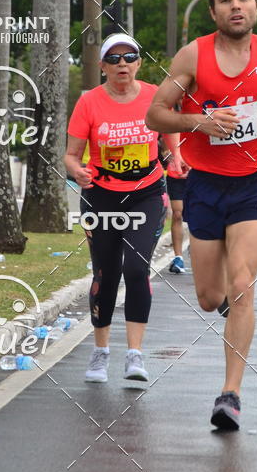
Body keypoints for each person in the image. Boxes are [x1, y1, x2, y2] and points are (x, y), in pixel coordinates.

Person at [145, 0, 257, 430]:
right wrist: (197, 121)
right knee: (208, 296)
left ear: (256, 5)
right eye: (226, 0)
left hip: (255, 183)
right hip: (204, 184)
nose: (235, 6)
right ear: (214, 11)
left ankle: (230, 395)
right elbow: (155, 114)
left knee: (242, 286)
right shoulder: (192, 58)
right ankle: (230, 309)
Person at [65, 34, 182, 385]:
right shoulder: (89, 103)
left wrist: (176, 156)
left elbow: (169, 133)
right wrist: (77, 170)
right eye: (113, 59)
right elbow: (70, 155)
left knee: (136, 268)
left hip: (145, 193)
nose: (122, 65)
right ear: (102, 66)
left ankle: (135, 354)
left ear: (138, 63)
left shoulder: (152, 96)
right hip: (101, 195)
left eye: (129, 57)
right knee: (106, 274)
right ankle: (101, 353)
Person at [165, 146, 190, 274]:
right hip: (176, 175)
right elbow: (163, 147)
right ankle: (178, 257)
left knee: (198, 213)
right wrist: (168, 154)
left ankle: (200, 248)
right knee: (177, 214)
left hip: (198, 173)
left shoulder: (200, 126)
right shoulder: (172, 127)